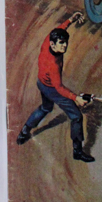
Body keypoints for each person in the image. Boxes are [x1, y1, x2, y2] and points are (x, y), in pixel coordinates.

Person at [16, 11, 95, 163]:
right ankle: (77, 151)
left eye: (65, 42)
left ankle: (24, 132)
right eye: (61, 43)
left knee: (45, 108)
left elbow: (60, 29)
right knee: (76, 116)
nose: (65, 46)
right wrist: (76, 98)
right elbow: (58, 88)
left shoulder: (49, 40)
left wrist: (71, 20)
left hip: (41, 83)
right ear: (53, 44)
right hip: (52, 89)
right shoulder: (52, 64)